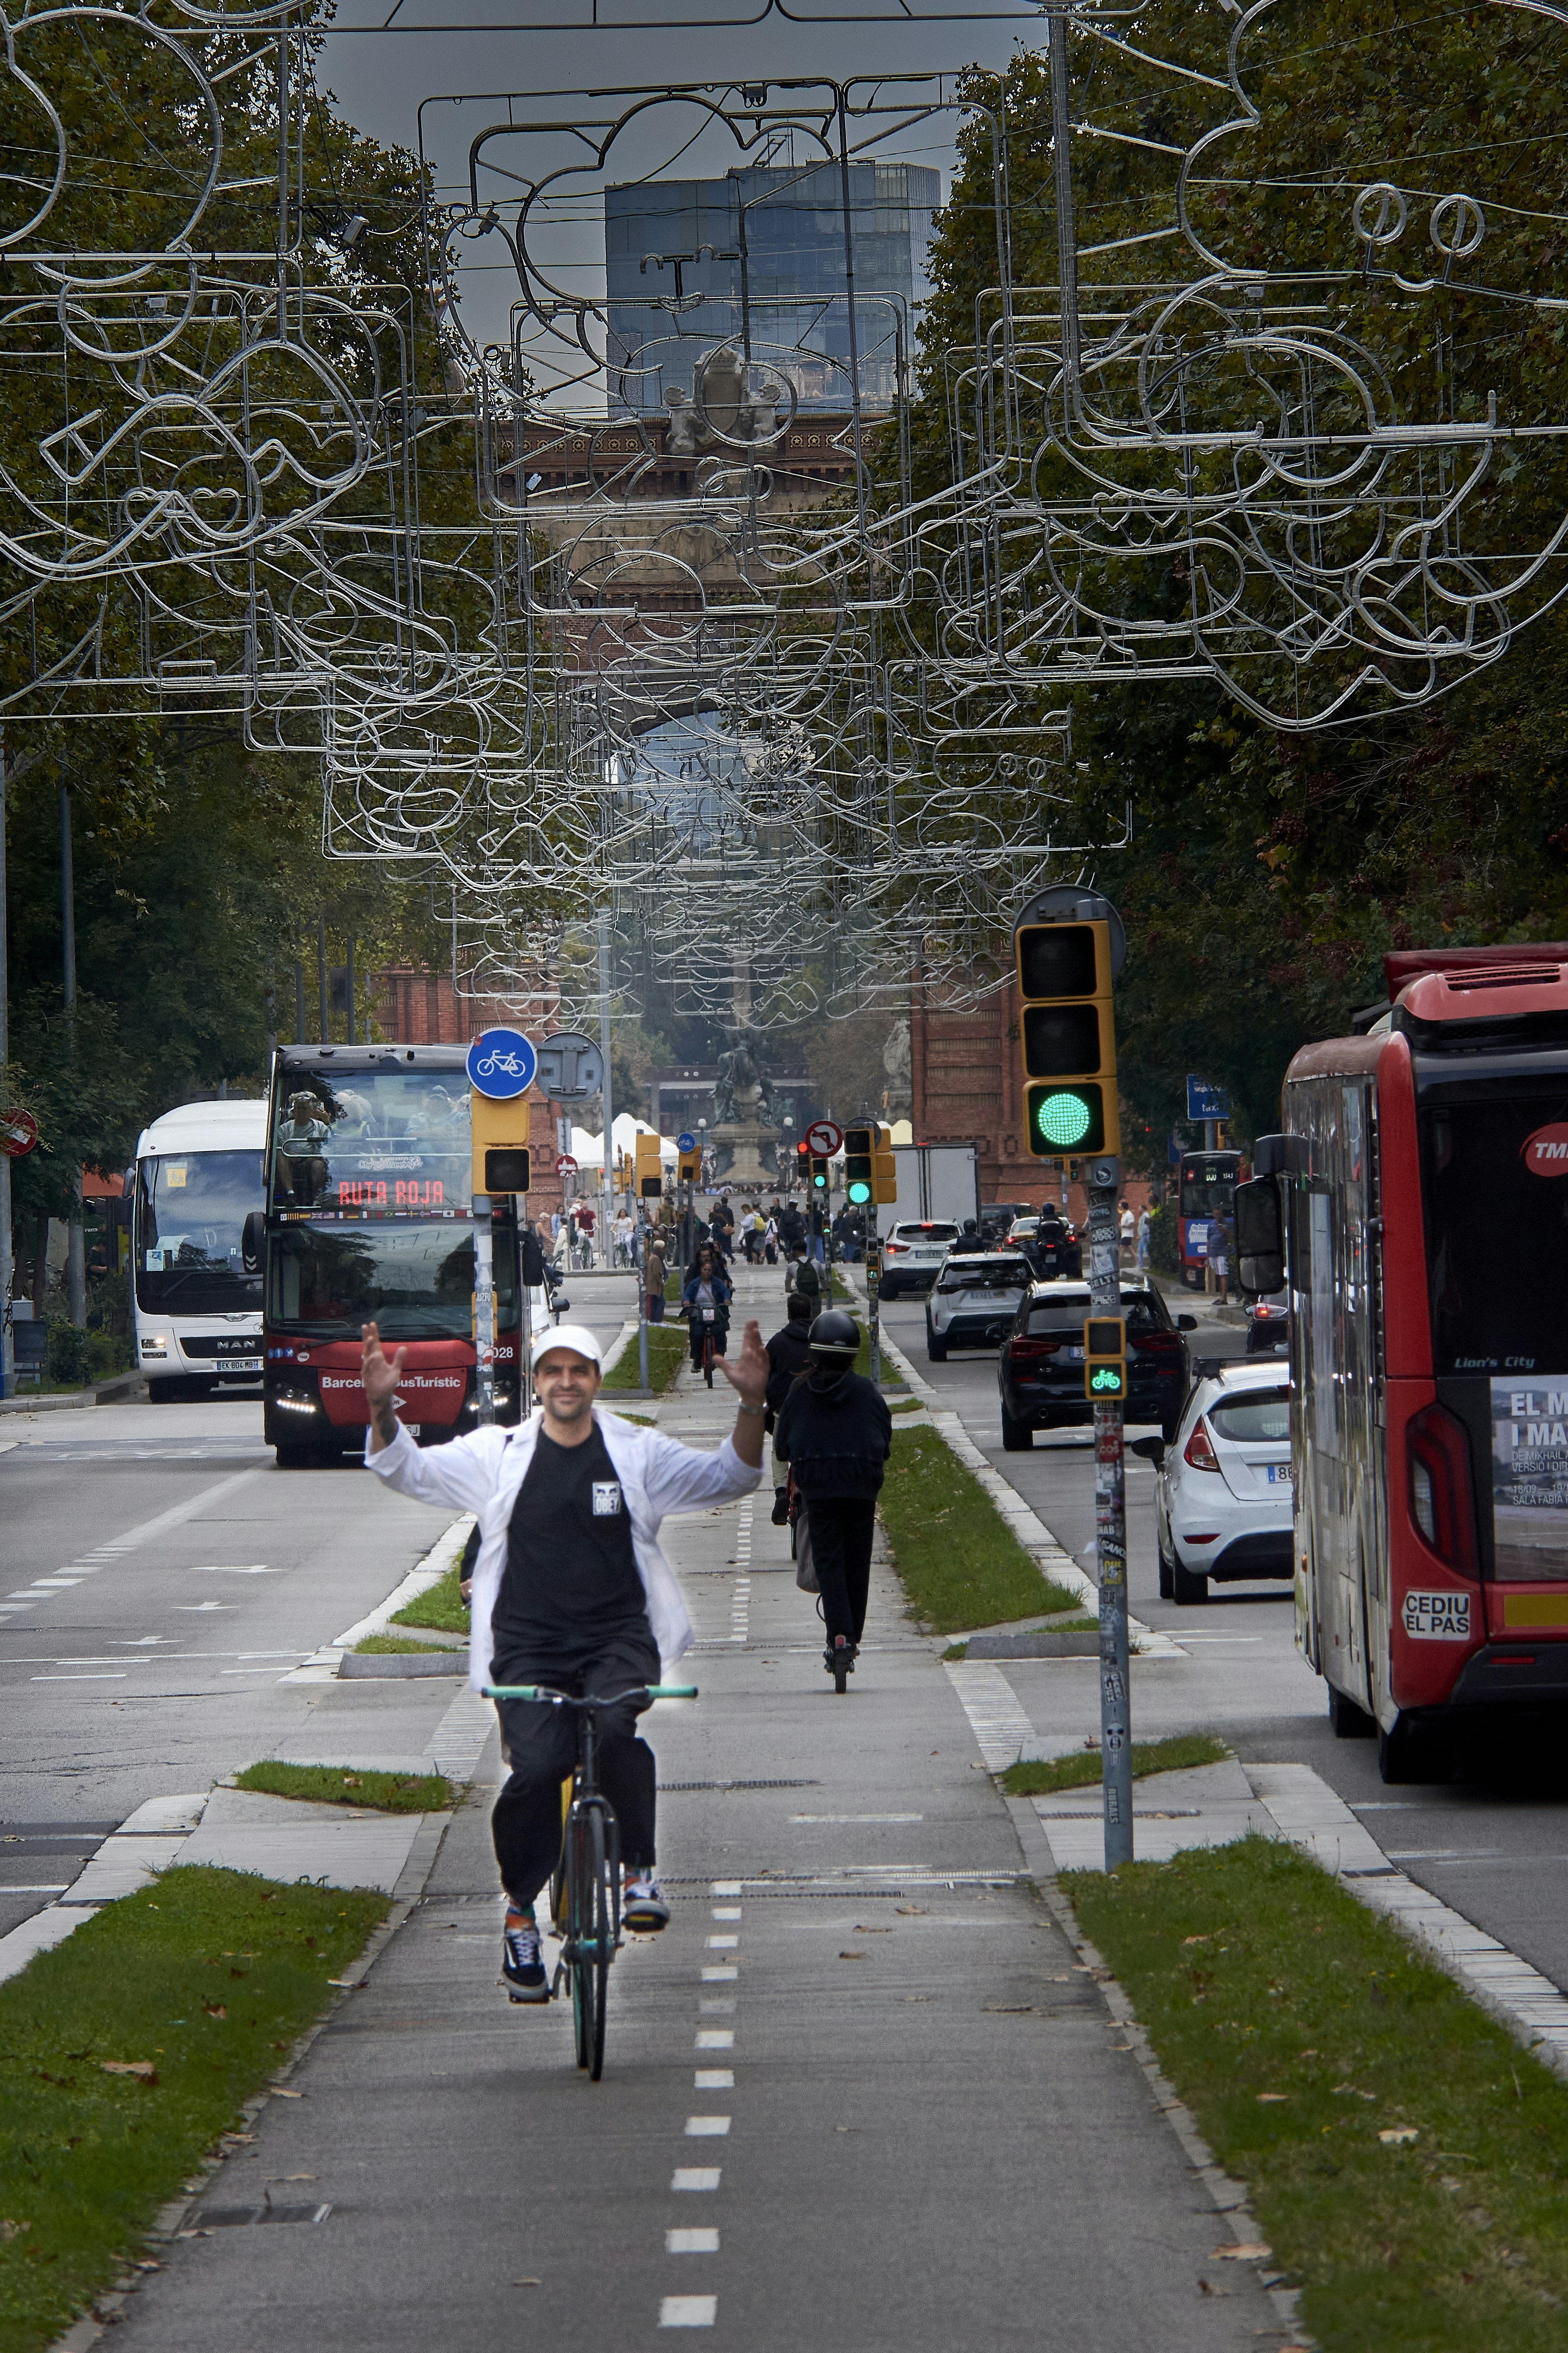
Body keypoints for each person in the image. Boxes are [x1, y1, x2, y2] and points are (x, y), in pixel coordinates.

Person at [359, 1317, 766, 2001]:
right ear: (538, 1382)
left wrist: (753, 1405)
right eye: (554, 1371)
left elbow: (732, 1474)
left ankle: (639, 1870)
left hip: (617, 1638)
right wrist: (380, 1409)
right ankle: (521, 1913)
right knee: (539, 1768)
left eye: (579, 1370)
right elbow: (407, 1468)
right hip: (527, 1646)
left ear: (595, 1380)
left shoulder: (636, 1452)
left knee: (614, 1730)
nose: (567, 1381)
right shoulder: (498, 1453)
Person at [774, 1310, 893, 1682]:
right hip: (861, 1486)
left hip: (819, 1489)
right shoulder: (866, 1392)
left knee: (830, 1563)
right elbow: (884, 1436)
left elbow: (781, 1445)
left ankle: (838, 1635)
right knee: (858, 1563)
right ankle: (851, 1635)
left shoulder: (800, 1391)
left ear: (815, 1351)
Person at [763, 1293, 815, 1523]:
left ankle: (781, 1493)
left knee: (778, 1448)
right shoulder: (820, 1340)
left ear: (789, 1314)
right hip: (815, 1408)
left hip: (783, 1410)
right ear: (811, 1314)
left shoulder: (777, 1343)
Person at [681, 1242, 733, 1369]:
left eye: (710, 1270)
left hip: (715, 1310)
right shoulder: (695, 1282)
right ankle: (697, 1359)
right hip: (698, 1311)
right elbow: (688, 1291)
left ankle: (719, 1356)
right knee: (696, 1333)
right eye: (705, 1270)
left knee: (720, 1332)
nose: (707, 1272)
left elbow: (725, 1289)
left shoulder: (717, 1280)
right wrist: (687, 1302)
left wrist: (726, 1299)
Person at [1206, 1210, 1232, 1303]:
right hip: (1213, 1252)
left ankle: (1223, 1297)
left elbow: (1233, 1236)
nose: (1218, 1216)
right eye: (1216, 1214)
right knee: (1218, 1275)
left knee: (1223, 1274)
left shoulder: (1228, 1224)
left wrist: (1225, 1231)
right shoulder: (1211, 1226)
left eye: (1220, 1214)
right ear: (1213, 1215)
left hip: (1223, 1252)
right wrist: (1207, 1256)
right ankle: (1222, 1297)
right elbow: (1209, 1241)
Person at [644, 1234, 668, 1323]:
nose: (664, 1250)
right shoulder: (657, 1259)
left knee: (654, 1303)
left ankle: (653, 1321)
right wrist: (662, 1283)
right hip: (655, 1285)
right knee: (661, 1302)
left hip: (652, 1285)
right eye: (663, 1248)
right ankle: (658, 1321)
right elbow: (656, 1273)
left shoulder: (652, 1257)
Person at [1119, 1201, 1135, 1266]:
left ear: (1123, 1207)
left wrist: (1123, 1226)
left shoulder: (1129, 1215)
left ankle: (1119, 1265)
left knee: (1122, 1249)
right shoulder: (1124, 1214)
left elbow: (1132, 1225)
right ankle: (1137, 1262)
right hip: (1124, 1234)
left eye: (1121, 1207)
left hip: (1128, 1235)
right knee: (1130, 1251)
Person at [1137, 1205, 1152, 1271]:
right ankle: (1140, 1264)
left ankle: (1153, 1262)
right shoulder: (1143, 1216)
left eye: (1139, 1208)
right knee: (1140, 1250)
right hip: (1142, 1236)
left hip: (1144, 1236)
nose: (1138, 1210)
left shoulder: (1146, 1216)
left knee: (1146, 1250)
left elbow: (1145, 1227)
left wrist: (1142, 1234)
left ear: (1143, 1209)